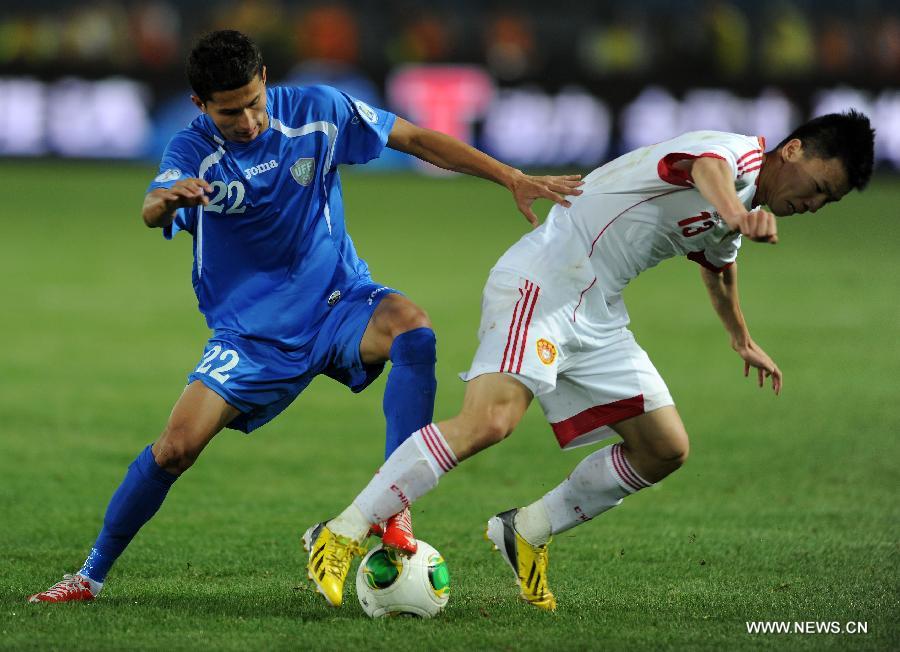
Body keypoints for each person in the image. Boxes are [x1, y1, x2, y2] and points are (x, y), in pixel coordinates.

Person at [28, 30, 583, 605]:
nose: (246, 121)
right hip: (253, 336)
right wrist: (167, 201)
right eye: (228, 112)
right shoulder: (192, 150)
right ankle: (88, 576)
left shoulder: (320, 110)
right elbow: (152, 204)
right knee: (174, 449)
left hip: (339, 302)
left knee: (412, 328)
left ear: (265, 78)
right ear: (201, 106)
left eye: (253, 103)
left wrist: (511, 177)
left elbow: (414, 137)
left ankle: (394, 509)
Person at [304, 111, 875, 610]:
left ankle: (527, 529)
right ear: (794, 150)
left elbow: (718, 264)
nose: (815, 204)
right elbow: (704, 172)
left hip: (597, 311)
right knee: (490, 421)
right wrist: (736, 210)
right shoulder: (732, 154)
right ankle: (343, 530)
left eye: (830, 201)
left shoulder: (743, 204)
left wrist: (741, 337)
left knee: (664, 448)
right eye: (820, 186)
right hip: (545, 280)